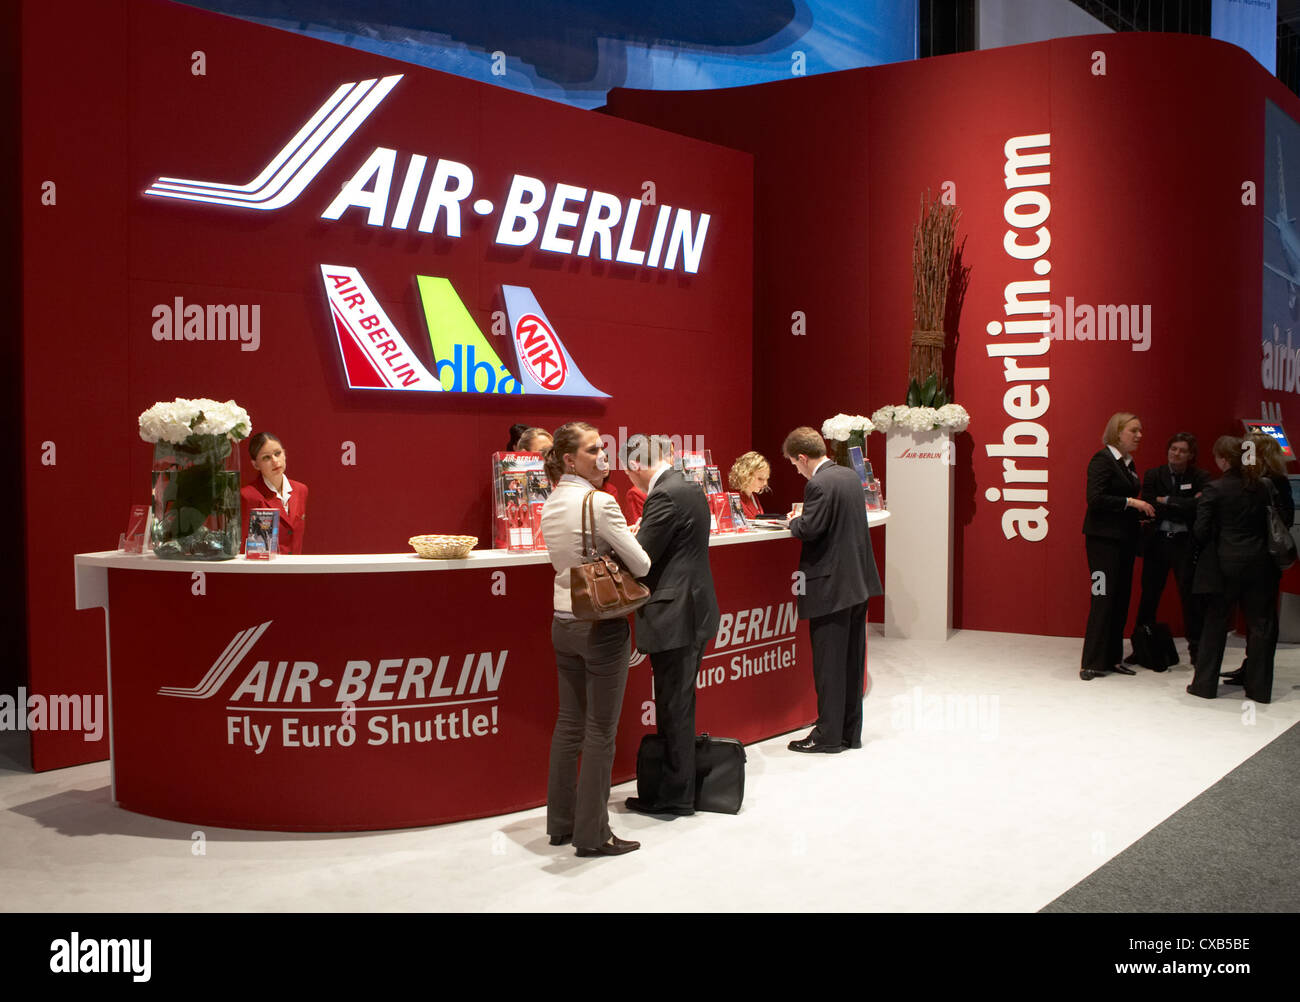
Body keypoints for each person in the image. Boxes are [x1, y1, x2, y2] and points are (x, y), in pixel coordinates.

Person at [539, 422, 650, 857]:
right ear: (570, 459)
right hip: (601, 624)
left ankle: (562, 824)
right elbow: (640, 564)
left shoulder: (551, 501)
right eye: (593, 450)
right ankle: (594, 834)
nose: (602, 456)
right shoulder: (600, 502)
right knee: (600, 731)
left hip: (562, 620)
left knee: (569, 725)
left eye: (603, 447)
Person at [621, 434, 720, 815]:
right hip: (692, 609)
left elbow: (642, 558)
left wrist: (624, 539)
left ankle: (676, 795)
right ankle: (677, 788)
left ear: (637, 465)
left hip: (674, 613)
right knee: (679, 702)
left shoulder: (663, 494)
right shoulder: (688, 486)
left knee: (673, 706)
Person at [781, 426, 882, 752]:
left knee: (829, 665)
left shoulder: (819, 484)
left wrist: (793, 521)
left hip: (831, 587)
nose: (796, 470)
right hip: (857, 583)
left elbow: (810, 529)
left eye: (794, 464)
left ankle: (826, 736)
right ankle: (849, 733)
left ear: (802, 457)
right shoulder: (849, 476)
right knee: (852, 664)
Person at [1189, 434, 1293, 702]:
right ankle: (1259, 690)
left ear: (1223, 460)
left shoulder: (1215, 489)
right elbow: (1280, 519)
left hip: (1224, 566)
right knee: (1261, 625)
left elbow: (1200, 532)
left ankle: (1204, 685)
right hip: (1261, 566)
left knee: (1215, 624)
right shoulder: (1264, 487)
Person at [1080, 412, 1154, 680]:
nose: (1139, 436)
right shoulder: (1102, 460)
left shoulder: (1127, 463)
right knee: (1102, 597)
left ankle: (1112, 658)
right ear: (1118, 431)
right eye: (1134, 430)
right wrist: (1132, 503)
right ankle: (1091, 661)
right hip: (1102, 544)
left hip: (1124, 541)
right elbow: (1096, 498)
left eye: (1140, 430)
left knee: (1121, 599)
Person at [1131, 432, 1210, 666]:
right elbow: (1148, 506)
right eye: (1173, 448)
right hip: (1157, 542)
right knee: (1149, 595)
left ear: (1191, 455)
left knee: (1190, 598)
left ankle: (1197, 650)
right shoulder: (1154, 474)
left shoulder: (1201, 476)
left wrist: (1166, 501)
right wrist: (1181, 504)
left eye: (1182, 450)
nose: (1176, 453)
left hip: (1185, 544)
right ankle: (1141, 646)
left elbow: (1199, 507)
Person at [240, 432, 308, 555]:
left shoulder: (301, 490)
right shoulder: (248, 496)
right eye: (266, 457)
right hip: (265, 571)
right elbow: (243, 548)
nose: (275, 461)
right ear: (255, 464)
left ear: (285, 454)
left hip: (296, 570)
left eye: (278, 453)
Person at [728, 451, 771, 521]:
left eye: (767, 479)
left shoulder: (753, 497)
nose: (765, 483)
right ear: (745, 475)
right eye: (760, 479)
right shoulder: (735, 500)